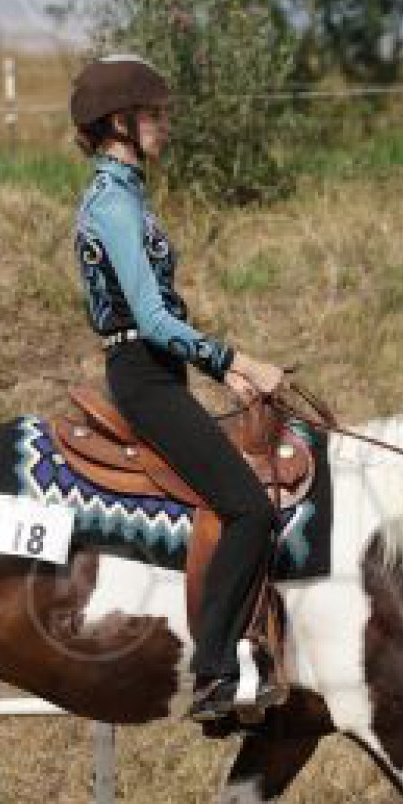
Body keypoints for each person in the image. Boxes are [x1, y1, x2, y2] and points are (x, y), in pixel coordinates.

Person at [69, 54, 290, 722]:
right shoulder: (113, 204)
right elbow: (154, 318)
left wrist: (223, 371)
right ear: (120, 123)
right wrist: (238, 360)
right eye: (154, 115)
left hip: (161, 372)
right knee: (249, 509)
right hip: (144, 376)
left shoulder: (127, 196)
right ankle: (215, 673)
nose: (165, 125)